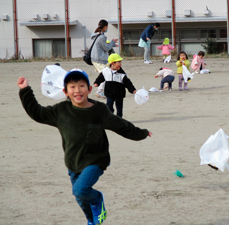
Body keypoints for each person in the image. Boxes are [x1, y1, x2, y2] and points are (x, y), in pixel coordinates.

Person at [17, 68, 152, 225]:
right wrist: (25, 90)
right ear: (65, 91)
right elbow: (37, 113)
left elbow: (120, 125)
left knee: (80, 191)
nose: (77, 90)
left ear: (89, 89)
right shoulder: (61, 111)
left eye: (81, 86)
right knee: (81, 198)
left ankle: (98, 199)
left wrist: (141, 133)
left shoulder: (100, 110)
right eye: (72, 87)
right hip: (73, 161)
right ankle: (92, 221)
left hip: (95, 159)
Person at [94, 53, 136, 118]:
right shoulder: (105, 71)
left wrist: (132, 90)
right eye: (118, 62)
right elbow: (101, 77)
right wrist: (97, 82)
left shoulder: (121, 74)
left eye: (120, 62)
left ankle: (119, 119)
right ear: (113, 63)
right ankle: (110, 117)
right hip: (109, 93)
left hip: (119, 94)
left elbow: (127, 82)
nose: (120, 64)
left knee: (119, 108)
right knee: (109, 106)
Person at [90, 19, 118, 98]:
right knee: (106, 74)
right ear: (105, 27)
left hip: (95, 58)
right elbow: (106, 48)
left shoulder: (95, 35)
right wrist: (112, 43)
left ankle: (102, 90)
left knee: (105, 74)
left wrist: (111, 44)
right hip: (99, 59)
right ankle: (99, 91)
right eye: (107, 27)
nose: (107, 28)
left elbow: (102, 46)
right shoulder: (101, 37)